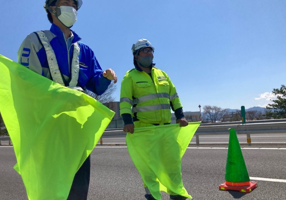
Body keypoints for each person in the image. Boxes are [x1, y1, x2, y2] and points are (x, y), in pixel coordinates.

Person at [18, 0, 117, 199]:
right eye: (65, 2)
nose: (71, 8)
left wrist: (105, 77)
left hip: (77, 129)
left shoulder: (85, 50)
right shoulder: (35, 41)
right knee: (50, 188)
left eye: (74, 4)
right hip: (47, 128)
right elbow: (27, 85)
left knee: (78, 188)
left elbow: (95, 86)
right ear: (51, 8)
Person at [119, 39, 188, 200]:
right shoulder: (130, 77)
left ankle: (177, 193)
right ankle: (152, 196)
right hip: (145, 129)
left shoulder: (162, 74)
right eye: (144, 51)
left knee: (172, 163)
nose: (149, 54)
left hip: (166, 128)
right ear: (136, 56)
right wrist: (127, 121)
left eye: (151, 50)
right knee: (149, 166)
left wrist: (180, 116)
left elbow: (174, 97)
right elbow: (125, 102)